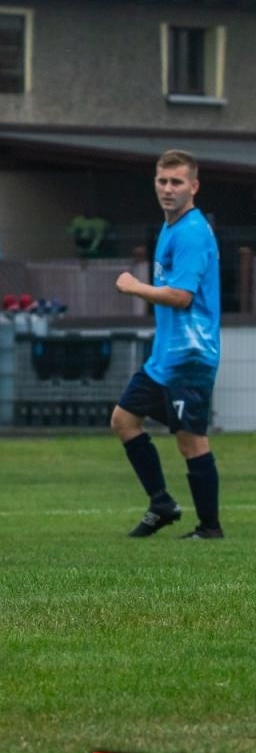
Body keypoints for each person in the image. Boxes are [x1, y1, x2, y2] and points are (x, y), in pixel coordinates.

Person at [110, 150, 223, 540]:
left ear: (194, 186)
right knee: (124, 420)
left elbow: (182, 296)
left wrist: (135, 287)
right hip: (166, 354)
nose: (168, 189)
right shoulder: (170, 226)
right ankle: (161, 504)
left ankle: (210, 529)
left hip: (190, 355)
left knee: (191, 441)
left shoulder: (190, 231)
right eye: (163, 181)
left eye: (177, 182)